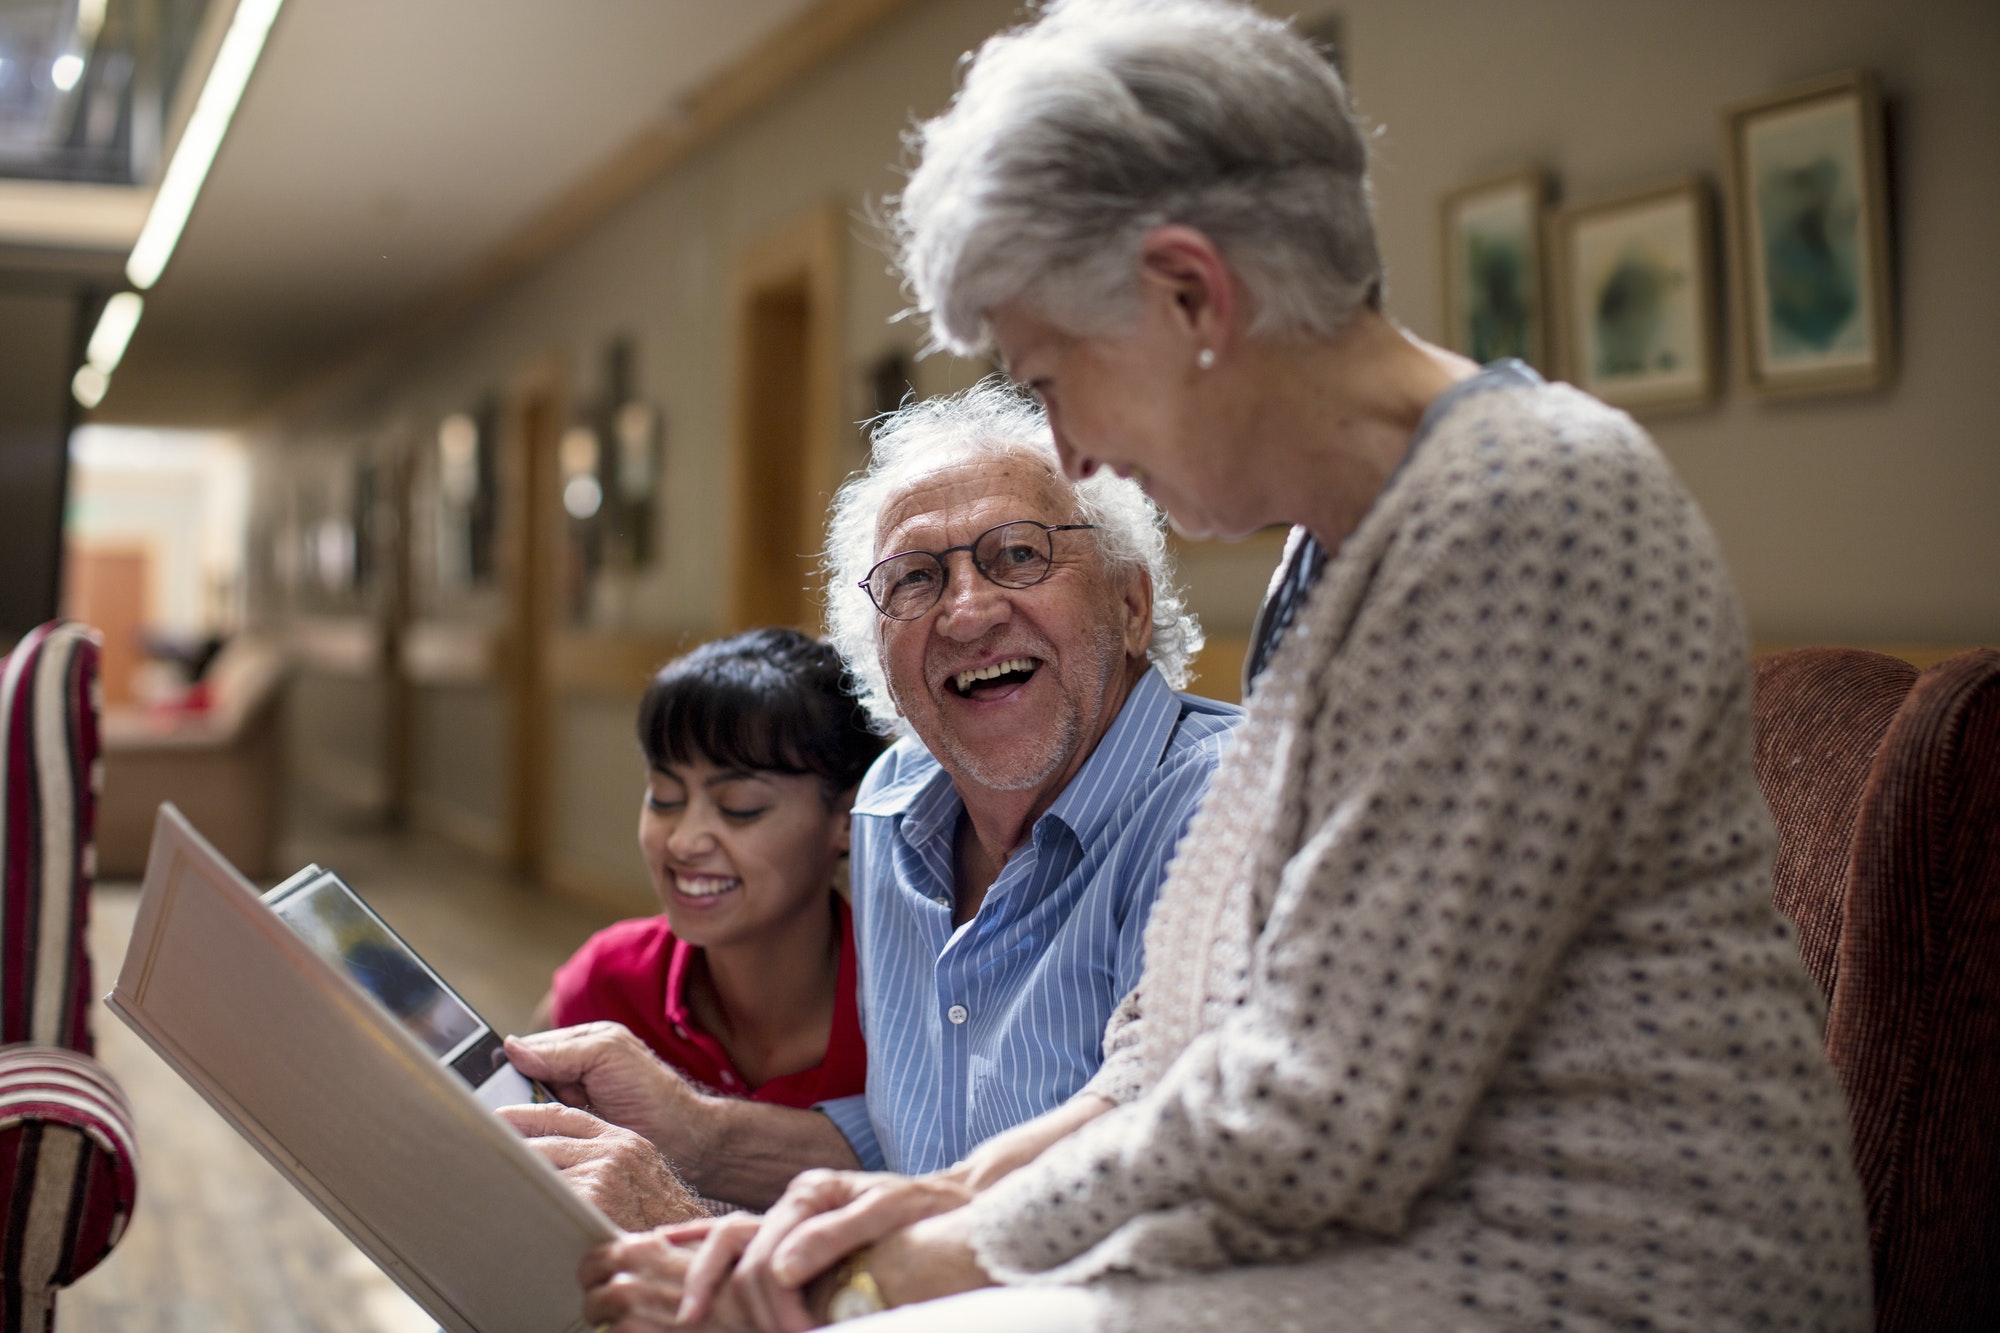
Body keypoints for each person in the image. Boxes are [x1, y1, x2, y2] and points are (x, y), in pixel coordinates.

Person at [606, 2, 1874, 1329]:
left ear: (1191, 295)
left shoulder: (1530, 510)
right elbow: (1181, 1034)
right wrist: (950, 1194)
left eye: (1054, 379)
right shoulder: (1338, 558)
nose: (1075, 452)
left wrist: (898, 1271)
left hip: (1611, 1281)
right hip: (1386, 1240)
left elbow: (1321, 1111)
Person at [497, 385, 1241, 1229]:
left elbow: (1166, 1189)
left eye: (1018, 554)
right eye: (915, 578)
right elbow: (916, 1149)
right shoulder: (892, 808)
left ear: (1131, 605)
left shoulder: (1227, 811)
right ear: (880, 662)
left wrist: (712, 1236)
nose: (966, 610)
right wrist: (696, 1135)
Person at [536, 629, 883, 1114]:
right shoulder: (607, 984)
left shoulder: (906, 1014)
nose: (683, 841)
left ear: (847, 819)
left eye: (740, 807)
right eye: (665, 797)